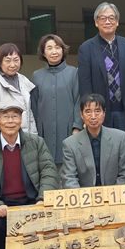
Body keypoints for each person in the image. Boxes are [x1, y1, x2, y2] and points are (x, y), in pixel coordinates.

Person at [0, 102, 59, 249]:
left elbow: (49, 171)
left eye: (15, 116)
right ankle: (2, 248)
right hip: (2, 204)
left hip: (31, 201)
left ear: (21, 119)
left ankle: (33, 246)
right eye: (5, 116)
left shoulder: (36, 143)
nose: (10, 121)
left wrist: (42, 199)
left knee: (51, 217)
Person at [77, 2, 125, 134]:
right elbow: (85, 84)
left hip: (124, 112)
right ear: (96, 22)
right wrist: (90, 112)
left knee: (122, 145)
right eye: (103, 18)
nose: (107, 22)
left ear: (117, 21)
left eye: (111, 18)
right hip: (99, 113)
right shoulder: (86, 48)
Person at [61, 93, 125, 188]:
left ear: (104, 112)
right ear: (81, 114)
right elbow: (69, 178)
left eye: (97, 111)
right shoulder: (70, 144)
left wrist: (111, 194)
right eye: (88, 112)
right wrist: (83, 196)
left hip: (114, 194)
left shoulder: (120, 138)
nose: (93, 116)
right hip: (84, 195)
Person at [31, 34, 83, 164]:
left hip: (68, 131)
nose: (54, 52)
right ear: (43, 52)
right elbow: (34, 106)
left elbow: (78, 101)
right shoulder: (37, 75)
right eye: (49, 48)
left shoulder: (73, 73)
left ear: (63, 50)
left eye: (58, 47)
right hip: (44, 132)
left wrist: (77, 127)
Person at [0, 43, 38, 139]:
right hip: (6, 139)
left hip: (25, 139)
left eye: (16, 60)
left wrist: (33, 139)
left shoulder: (23, 80)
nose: (13, 65)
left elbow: (29, 114)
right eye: (7, 61)